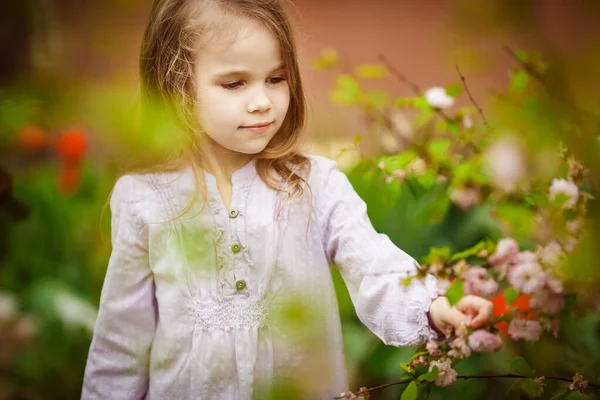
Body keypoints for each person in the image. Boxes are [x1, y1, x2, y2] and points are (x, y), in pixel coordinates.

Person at [81, 0, 495, 399]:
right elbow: (121, 343)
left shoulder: (315, 184)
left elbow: (374, 267)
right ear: (178, 87)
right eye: (234, 83)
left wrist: (433, 308)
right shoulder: (144, 199)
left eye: (276, 78)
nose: (262, 101)